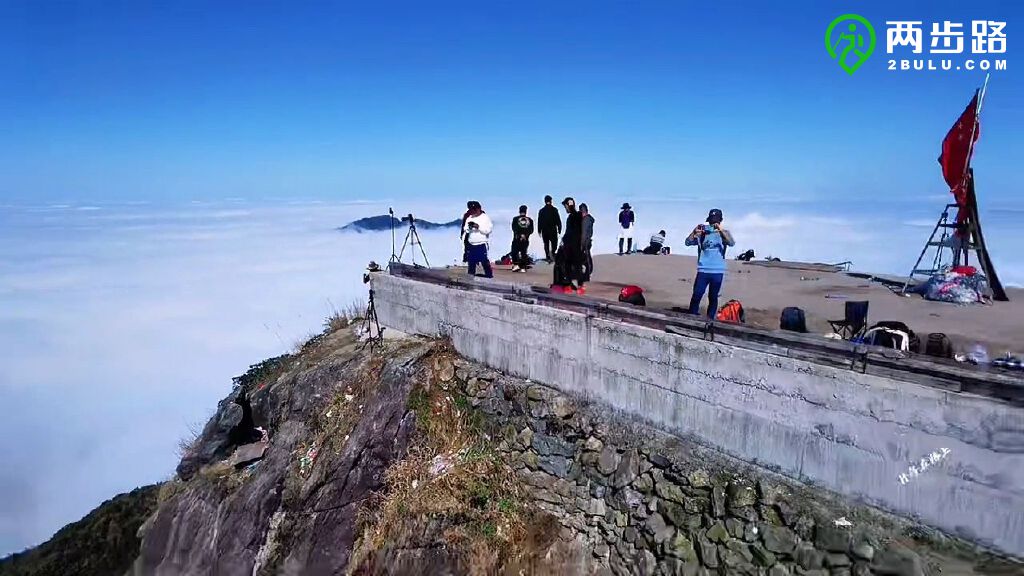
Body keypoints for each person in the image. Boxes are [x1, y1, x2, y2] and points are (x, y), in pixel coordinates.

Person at [685, 208, 735, 318]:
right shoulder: (703, 232)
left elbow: (731, 243)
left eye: (716, 220)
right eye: (712, 220)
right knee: (697, 294)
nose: (713, 222)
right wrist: (694, 232)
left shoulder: (724, 233)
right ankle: (692, 316)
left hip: (717, 271)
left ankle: (710, 319)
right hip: (703, 269)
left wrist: (720, 230)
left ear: (720, 220)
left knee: (713, 297)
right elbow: (687, 242)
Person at [555, 197, 585, 292]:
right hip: (577, 244)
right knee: (577, 265)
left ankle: (567, 285)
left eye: (565, 206)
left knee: (565, 264)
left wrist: (563, 242)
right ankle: (580, 287)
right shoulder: (579, 216)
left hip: (571, 245)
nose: (565, 208)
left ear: (568, 206)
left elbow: (570, 232)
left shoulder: (572, 217)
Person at [464, 202, 494, 278]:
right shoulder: (469, 218)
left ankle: (489, 275)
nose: (472, 212)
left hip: (481, 243)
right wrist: (470, 228)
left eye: (474, 209)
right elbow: (465, 229)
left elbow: (488, 230)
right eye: (471, 210)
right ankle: (470, 276)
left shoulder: (485, 218)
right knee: (471, 261)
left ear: (478, 209)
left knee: (484, 260)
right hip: (471, 243)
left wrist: (478, 227)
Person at [537, 195, 562, 263]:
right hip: (553, 230)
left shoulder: (541, 211)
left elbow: (539, 221)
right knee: (554, 243)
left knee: (546, 244)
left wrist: (539, 230)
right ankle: (552, 253)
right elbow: (558, 220)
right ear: (551, 201)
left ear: (545, 201)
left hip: (545, 230)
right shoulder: (554, 210)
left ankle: (548, 256)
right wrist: (559, 228)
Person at [510, 205, 534, 272]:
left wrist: (520, 235)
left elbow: (514, 228)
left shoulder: (515, 219)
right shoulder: (530, 220)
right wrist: (525, 235)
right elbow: (531, 230)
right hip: (525, 239)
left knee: (514, 252)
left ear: (519, 211)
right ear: (526, 211)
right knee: (523, 252)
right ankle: (523, 267)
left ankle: (516, 265)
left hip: (517, 238)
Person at [580, 203, 595, 282]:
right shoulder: (588, 219)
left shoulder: (586, 220)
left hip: (585, 241)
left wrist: (581, 243)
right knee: (587, 256)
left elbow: (584, 233)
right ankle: (588, 271)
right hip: (588, 240)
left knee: (586, 257)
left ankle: (588, 272)